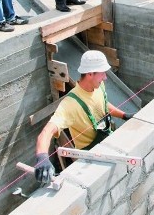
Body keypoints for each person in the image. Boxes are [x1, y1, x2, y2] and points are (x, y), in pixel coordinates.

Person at [33, 50, 131, 184]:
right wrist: (42, 157)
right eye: (102, 73)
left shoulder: (99, 86)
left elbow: (103, 104)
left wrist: (124, 115)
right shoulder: (70, 104)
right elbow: (46, 132)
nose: (105, 77)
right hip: (89, 159)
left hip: (107, 143)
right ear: (90, 73)